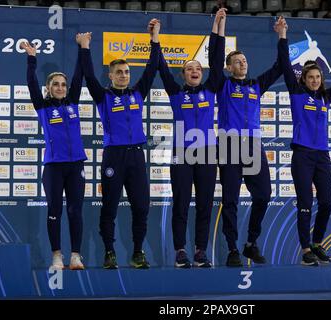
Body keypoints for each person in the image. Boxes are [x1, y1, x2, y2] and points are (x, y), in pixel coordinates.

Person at [77, 19, 161, 269]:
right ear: (111, 76)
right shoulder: (103, 96)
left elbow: (152, 67)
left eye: (126, 72)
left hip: (137, 156)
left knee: (141, 207)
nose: (124, 75)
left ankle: (137, 252)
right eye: (119, 72)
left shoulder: (137, 92)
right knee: (110, 206)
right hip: (113, 156)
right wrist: (84, 47)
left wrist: (154, 38)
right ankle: (110, 252)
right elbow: (89, 75)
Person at [279, 17, 331, 266]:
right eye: (310, 76)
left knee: (326, 201)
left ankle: (317, 242)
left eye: (318, 76)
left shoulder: (326, 97)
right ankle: (306, 250)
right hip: (302, 155)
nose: (314, 80)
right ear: (303, 79)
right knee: (305, 203)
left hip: (322, 156)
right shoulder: (297, 93)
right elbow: (284, 63)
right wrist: (282, 35)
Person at [157, 9, 226, 268]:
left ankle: (200, 251)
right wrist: (155, 39)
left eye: (198, 67)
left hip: (207, 154)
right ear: (184, 74)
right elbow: (162, 68)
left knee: (205, 205)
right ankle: (180, 251)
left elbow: (217, 63)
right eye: (189, 68)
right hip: (182, 155)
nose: (195, 70)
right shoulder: (175, 93)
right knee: (182, 205)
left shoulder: (210, 90)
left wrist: (217, 27)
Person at [215, 15, 286, 267]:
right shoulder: (222, 85)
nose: (242, 63)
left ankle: (250, 243)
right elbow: (214, 60)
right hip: (230, 146)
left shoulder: (256, 85)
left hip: (254, 147)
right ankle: (233, 248)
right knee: (231, 200)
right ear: (228, 67)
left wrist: (281, 36)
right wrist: (220, 27)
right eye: (237, 61)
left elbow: (280, 66)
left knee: (264, 195)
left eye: (244, 60)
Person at [20, 39, 87, 270]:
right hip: (54, 166)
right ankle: (57, 255)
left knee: (76, 210)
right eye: (55, 84)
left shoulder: (73, 103)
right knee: (55, 210)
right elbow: (31, 82)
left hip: (76, 164)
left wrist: (82, 47)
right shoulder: (43, 107)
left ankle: (75, 256)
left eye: (63, 85)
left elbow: (79, 75)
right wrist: (31, 58)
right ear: (48, 88)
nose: (60, 87)